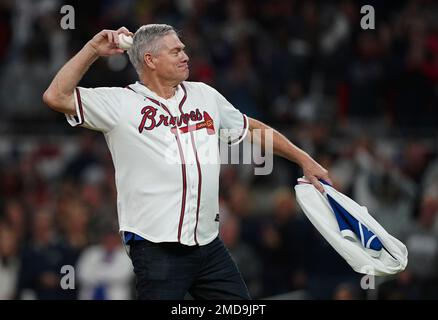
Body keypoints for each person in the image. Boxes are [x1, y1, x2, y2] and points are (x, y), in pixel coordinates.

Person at [43, 24, 331, 300]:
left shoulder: (204, 95)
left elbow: (251, 129)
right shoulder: (119, 103)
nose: (185, 55)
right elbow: (56, 95)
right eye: (176, 51)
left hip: (208, 245)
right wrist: (93, 48)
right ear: (150, 60)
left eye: (183, 49)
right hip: (156, 248)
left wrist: (303, 158)